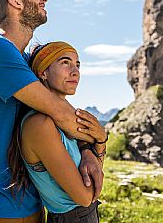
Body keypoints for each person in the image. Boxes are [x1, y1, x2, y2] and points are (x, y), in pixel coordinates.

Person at [0, 0, 103, 222]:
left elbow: (62, 114)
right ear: (15, 2)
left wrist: (87, 149)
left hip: (29, 206)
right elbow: (60, 112)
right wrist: (100, 139)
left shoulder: (24, 57)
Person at [8, 41, 107, 223]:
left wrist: (90, 149)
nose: (75, 71)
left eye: (77, 64)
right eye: (65, 62)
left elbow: (95, 172)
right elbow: (85, 197)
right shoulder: (39, 124)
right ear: (43, 73)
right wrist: (100, 141)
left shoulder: (66, 120)